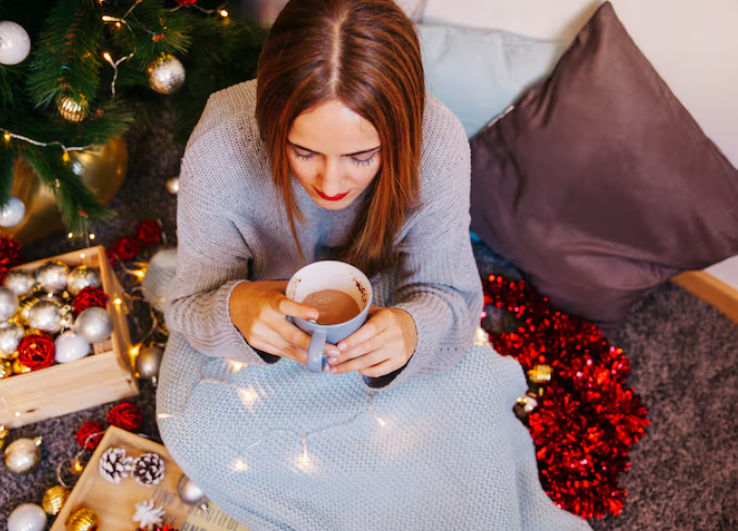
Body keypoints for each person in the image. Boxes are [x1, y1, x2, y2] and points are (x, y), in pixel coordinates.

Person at [157, 1, 591, 529]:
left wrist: (410, 330)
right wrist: (241, 307)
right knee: (205, 430)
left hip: (387, 315)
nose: (332, 184)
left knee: (461, 440)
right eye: (302, 151)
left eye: (362, 156)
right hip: (265, 341)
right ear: (270, 119)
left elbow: (452, 297)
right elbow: (188, 305)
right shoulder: (222, 146)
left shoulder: (438, 142)